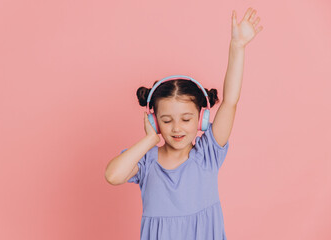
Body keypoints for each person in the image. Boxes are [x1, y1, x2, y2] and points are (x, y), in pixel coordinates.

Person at [105, 7, 263, 240]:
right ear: (154, 121)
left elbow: (230, 101)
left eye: (186, 119)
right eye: (166, 121)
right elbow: (113, 175)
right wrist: (150, 139)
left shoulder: (208, 153)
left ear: (201, 119)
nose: (177, 128)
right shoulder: (147, 161)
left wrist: (237, 47)